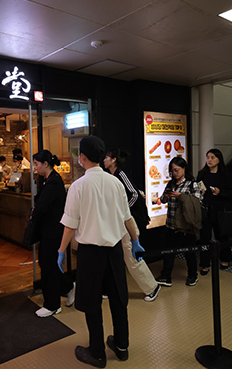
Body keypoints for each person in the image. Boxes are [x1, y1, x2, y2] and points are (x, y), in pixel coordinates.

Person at [57, 136, 143, 367]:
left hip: (90, 254)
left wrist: (61, 251)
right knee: (118, 299)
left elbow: (70, 226)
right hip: (114, 251)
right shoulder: (115, 183)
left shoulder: (78, 186)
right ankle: (122, 347)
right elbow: (127, 218)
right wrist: (135, 241)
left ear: (82, 157)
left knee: (92, 302)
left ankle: (97, 353)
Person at [103, 148, 161, 301]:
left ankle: (152, 287)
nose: (104, 160)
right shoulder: (111, 176)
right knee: (113, 256)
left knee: (131, 257)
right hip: (118, 222)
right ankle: (109, 288)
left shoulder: (121, 174)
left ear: (114, 160)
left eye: (107, 157)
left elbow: (135, 194)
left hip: (128, 221)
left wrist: (123, 210)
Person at [31, 150, 75, 317]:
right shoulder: (48, 180)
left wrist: (33, 215)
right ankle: (68, 287)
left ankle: (53, 305)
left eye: (36, 164)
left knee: (48, 265)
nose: (35, 168)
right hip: (50, 229)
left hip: (53, 230)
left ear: (45, 164)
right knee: (49, 263)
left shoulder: (53, 182)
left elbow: (41, 207)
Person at [156, 157, 203, 287]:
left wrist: (181, 196)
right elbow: (163, 200)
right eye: (172, 171)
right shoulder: (171, 183)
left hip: (186, 225)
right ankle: (166, 276)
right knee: (169, 251)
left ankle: (192, 275)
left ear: (184, 169)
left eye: (177, 170)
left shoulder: (192, 184)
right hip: (171, 223)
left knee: (189, 252)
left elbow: (198, 202)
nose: (175, 173)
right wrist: (165, 196)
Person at [196, 148, 232, 273]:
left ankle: (225, 258)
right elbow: (197, 187)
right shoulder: (202, 174)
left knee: (222, 235)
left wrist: (220, 192)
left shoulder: (226, 175)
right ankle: (205, 263)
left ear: (219, 159)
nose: (209, 160)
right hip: (205, 208)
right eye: (208, 157)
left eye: (213, 157)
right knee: (204, 237)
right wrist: (201, 191)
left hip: (220, 208)